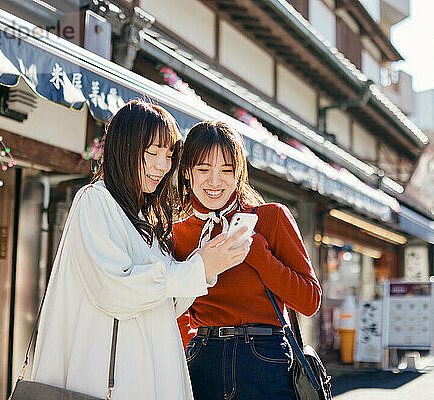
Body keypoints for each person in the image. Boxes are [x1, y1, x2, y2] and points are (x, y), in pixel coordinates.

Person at [30, 101, 251, 399]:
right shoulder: (95, 201)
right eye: (152, 153)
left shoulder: (146, 218)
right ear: (125, 149)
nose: (162, 166)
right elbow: (116, 292)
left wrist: (204, 263)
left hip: (147, 374)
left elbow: (164, 303)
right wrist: (197, 268)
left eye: (169, 155)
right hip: (109, 381)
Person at [173, 120, 322, 400]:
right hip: (203, 358)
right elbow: (174, 308)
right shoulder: (178, 232)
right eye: (203, 169)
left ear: (239, 173)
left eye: (226, 171)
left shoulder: (271, 218)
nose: (214, 181)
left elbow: (309, 300)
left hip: (265, 358)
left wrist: (258, 254)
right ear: (186, 172)